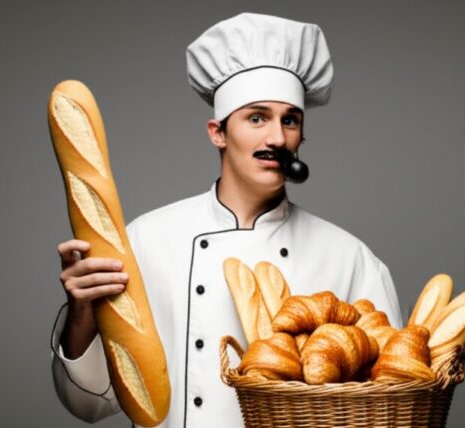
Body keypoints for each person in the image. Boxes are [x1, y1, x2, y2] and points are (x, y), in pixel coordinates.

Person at [50, 12, 402, 428]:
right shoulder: (145, 241)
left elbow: (388, 402)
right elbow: (91, 404)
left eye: (290, 120)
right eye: (257, 117)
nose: (276, 138)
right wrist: (82, 313)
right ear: (218, 132)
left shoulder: (349, 258)